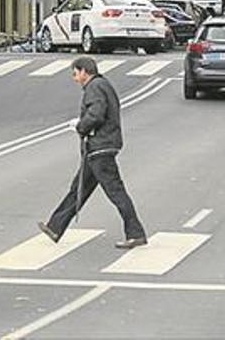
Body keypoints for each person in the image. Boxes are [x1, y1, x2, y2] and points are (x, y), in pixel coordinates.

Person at [38, 57, 147, 250]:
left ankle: (136, 233)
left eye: (75, 74)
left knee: (116, 191)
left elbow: (96, 114)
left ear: (83, 71)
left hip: (100, 148)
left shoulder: (94, 87)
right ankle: (55, 227)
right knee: (78, 189)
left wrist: (80, 126)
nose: (75, 78)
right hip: (98, 148)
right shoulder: (102, 85)